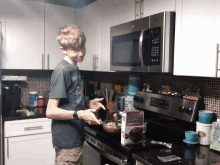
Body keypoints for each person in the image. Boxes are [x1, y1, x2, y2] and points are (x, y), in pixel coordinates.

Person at [46, 24, 106, 165]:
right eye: (75, 49)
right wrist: (80, 114)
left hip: (76, 137)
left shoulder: (74, 67)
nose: (81, 53)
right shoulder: (62, 71)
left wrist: (88, 104)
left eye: (82, 47)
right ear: (63, 50)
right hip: (67, 141)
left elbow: (71, 101)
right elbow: (50, 111)